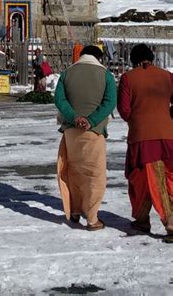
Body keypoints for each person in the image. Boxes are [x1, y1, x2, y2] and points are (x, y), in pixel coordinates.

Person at [54, 45, 117, 230]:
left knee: (74, 171)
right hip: (95, 131)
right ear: (98, 57)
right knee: (94, 174)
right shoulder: (106, 75)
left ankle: (74, 210)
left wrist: (74, 117)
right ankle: (92, 218)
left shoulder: (67, 73)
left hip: (71, 130)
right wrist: (91, 120)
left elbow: (59, 99)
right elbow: (110, 102)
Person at [117, 44, 173, 238]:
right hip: (168, 135)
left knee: (144, 180)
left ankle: (169, 221)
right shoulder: (167, 76)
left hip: (142, 137)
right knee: (167, 178)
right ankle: (143, 220)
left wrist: (138, 118)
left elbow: (124, 111)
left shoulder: (128, 78)